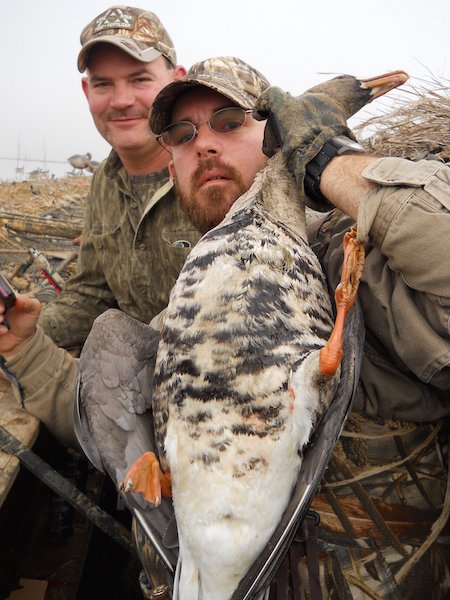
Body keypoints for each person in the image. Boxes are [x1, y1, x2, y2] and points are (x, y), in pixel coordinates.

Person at [1, 57, 449, 598]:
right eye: (183, 136)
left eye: (231, 122)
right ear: (171, 170)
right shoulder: (180, 312)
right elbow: (114, 429)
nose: (204, 145)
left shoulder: (357, 260)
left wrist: (325, 158)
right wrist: (25, 349)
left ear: (281, 138)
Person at [0, 5, 202, 446]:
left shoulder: (214, 171)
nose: (122, 99)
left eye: (140, 79)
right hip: (143, 399)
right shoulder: (104, 185)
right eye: (104, 84)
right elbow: (92, 291)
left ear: (177, 81)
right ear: (86, 91)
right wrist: (27, 331)